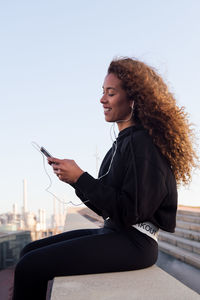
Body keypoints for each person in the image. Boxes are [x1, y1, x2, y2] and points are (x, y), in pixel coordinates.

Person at [12, 57, 198, 300]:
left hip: (135, 243)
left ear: (133, 99)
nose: (102, 99)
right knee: (28, 251)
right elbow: (107, 205)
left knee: (30, 266)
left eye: (110, 93)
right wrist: (75, 180)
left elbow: (130, 211)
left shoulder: (144, 145)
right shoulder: (122, 143)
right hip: (115, 232)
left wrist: (81, 178)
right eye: (103, 92)